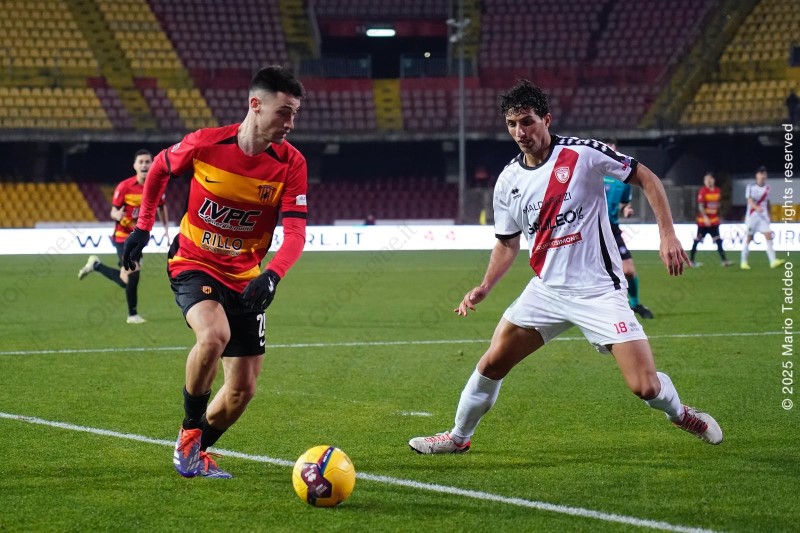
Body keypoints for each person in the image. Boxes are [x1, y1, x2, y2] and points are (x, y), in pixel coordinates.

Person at [408, 80, 722, 455]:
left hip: (599, 291)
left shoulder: (582, 154)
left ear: (546, 119)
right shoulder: (508, 181)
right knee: (492, 363)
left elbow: (646, 177)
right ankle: (458, 437)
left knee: (645, 387)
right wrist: (485, 286)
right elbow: (507, 243)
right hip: (547, 291)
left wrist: (667, 234)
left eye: (527, 121)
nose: (520, 132)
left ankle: (681, 413)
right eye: (511, 124)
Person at [121, 65, 309, 478]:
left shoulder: (291, 164)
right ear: (255, 105)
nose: (290, 124)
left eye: (295, 114)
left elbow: (296, 232)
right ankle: (189, 431)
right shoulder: (206, 143)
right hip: (194, 261)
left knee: (242, 391)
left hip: (246, 278)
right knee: (214, 335)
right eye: (284, 112)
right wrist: (143, 227)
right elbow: (159, 169)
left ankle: (192, 452)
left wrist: (272, 274)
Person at [77, 149, 169, 324]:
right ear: (134, 165)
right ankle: (132, 315)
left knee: (126, 279)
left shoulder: (157, 185)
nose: (144, 165)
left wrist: (166, 228)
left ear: (152, 164)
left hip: (139, 237)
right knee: (133, 271)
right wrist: (117, 215)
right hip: (122, 237)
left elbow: (162, 206)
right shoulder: (124, 187)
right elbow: (113, 211)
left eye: (147, 162)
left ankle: (96, 265)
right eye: (141, 162)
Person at [602, 138, 653, 319]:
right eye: (606, 150)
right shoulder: (591, 174)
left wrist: (626, 209)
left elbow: (624, 203)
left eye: (612, 151)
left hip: (613, 229)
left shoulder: (621, 179)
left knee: (629, 270)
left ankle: (635, 303)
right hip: (590, 230)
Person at [741, 166, 785, 269]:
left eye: (764, 174)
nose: (763, 176)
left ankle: (773, 261)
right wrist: (756, 207)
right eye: (761, 173)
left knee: (768, 236)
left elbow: (767, 202)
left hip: (763, 217)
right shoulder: (751, 187)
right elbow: (749, 200)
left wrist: (769, 214)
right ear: (757, 175)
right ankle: (743, 262)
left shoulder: (767, 188)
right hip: (752, 216)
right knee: (749, 238)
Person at [688, 172, 733, 267]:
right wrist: (705, 217)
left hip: (714, 221)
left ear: (713, 180)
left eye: (710, 179)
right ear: (704, 181)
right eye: (706, 179)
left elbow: (718, 205)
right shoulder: (703, 191)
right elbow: (701, 206)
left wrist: (719, 215)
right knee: (698, 240)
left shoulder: (717, 191)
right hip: (703, 222)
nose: (708, 181)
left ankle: (724, 261)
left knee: (718, 240)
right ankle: (691, 261)